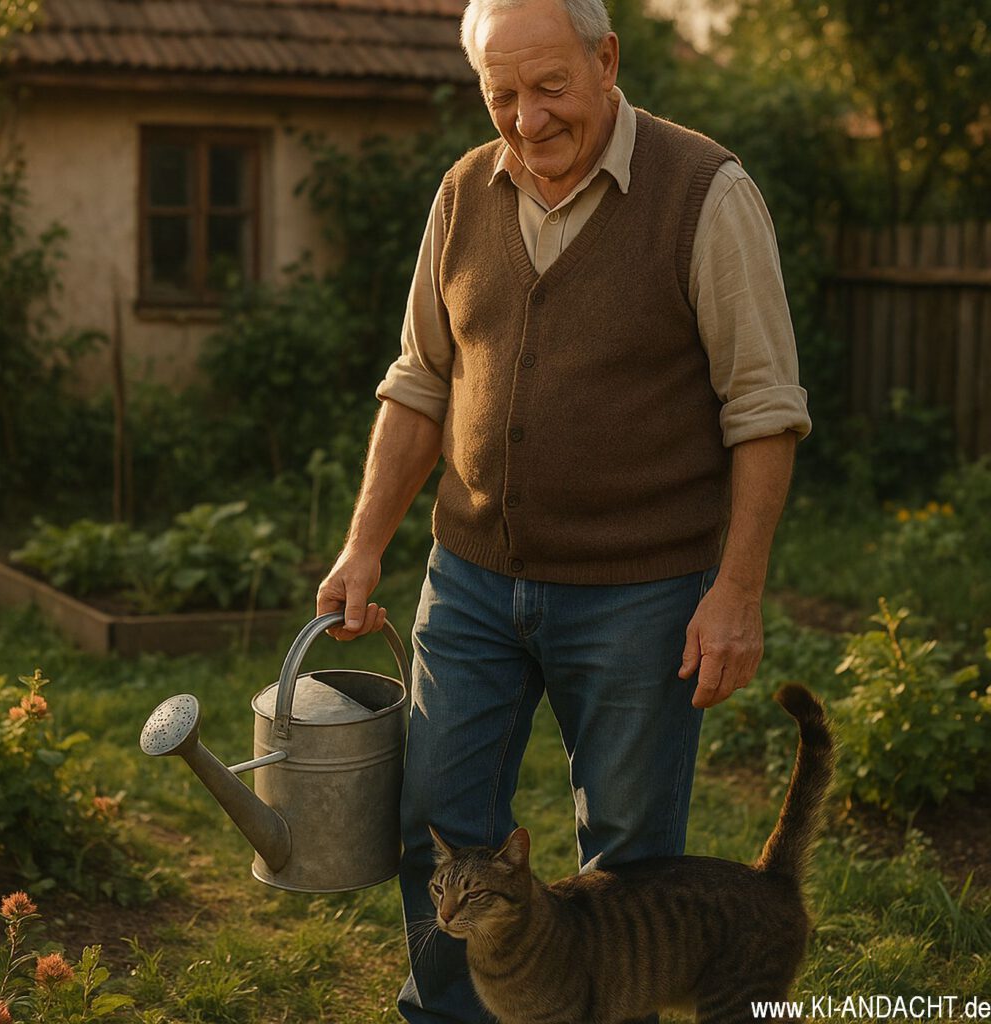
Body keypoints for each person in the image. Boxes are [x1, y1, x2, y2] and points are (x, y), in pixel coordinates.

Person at [316, 0, 811, 1019]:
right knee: (436, 820)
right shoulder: (462, 192)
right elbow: (419, 381)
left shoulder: (704, 193)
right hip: (468, 581)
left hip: (641, 592)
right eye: (502, 94)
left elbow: (763, 407)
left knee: (631, 860)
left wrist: (738, 590)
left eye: (549, 88)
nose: (526, 119)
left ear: (606, 60)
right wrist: (364, 544)